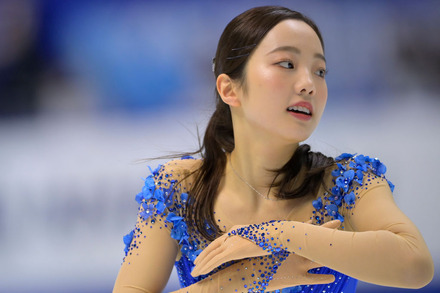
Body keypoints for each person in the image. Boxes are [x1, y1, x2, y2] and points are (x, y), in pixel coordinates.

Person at [113, 6, 434, 293]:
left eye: (319, 71)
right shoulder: (178, 187)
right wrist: (244, 279)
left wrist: (279, 234)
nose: (309, 83)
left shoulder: (347, 181)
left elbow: (416, 265)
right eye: (287, 63)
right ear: (229, 88)